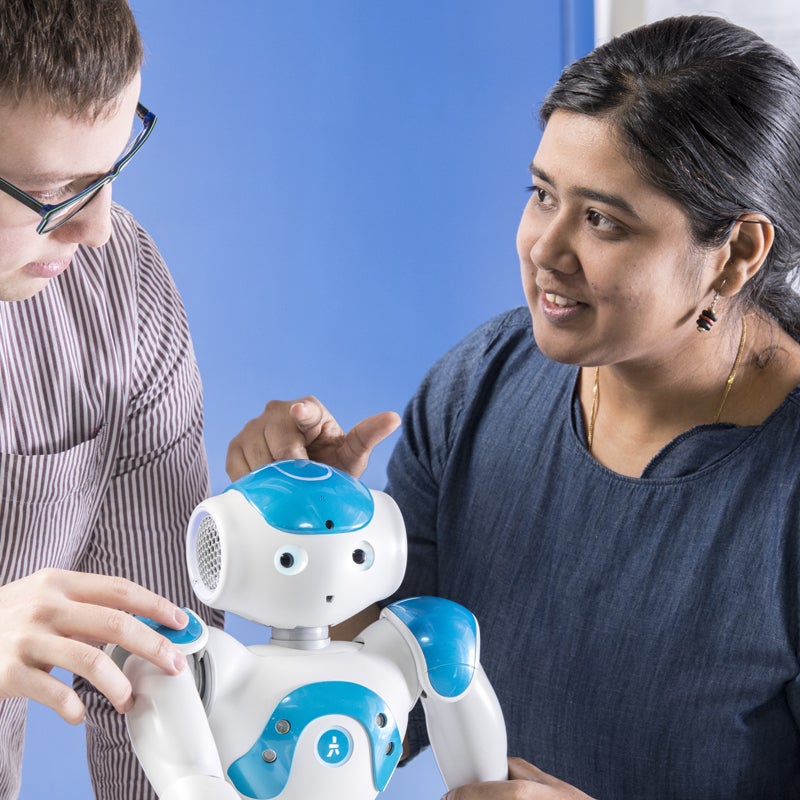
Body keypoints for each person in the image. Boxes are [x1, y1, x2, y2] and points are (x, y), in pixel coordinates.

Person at [227, 14, 800, 800]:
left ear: (737, 253)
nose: (543, 248)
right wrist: (331, 546)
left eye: (602, 219)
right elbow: (396, 699)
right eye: (541, 194)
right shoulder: (478, 387)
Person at [0, 1, 223, 797]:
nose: (96, 228)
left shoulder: (116, 281)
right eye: (54, 191)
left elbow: (158, 679)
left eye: (111, 170)